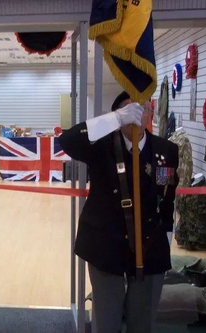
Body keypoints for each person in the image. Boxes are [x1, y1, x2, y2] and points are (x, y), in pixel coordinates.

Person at [59, 91, 179, 333]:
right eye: (128, 109)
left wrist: (165, 239)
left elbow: (166, 198)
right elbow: (68, 140)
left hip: (149, 246)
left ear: (150, 114)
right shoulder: (100, 146)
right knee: (106, 321)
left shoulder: (166, 151)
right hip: (106, 245)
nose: (136, 114)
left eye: (142, 108)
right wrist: (115, 118)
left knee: (142, 323)